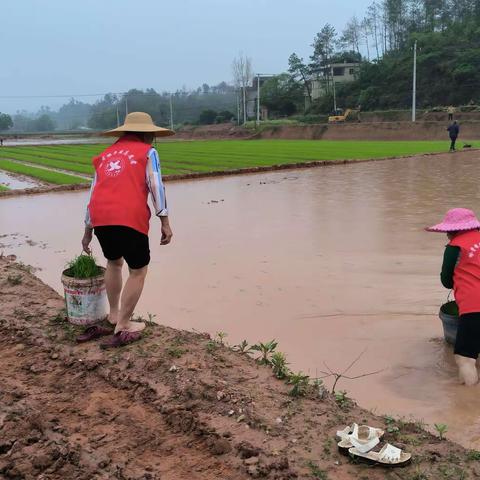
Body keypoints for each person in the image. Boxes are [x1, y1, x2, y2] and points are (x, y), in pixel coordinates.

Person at [79, 112, 174, 348]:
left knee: (114, 261)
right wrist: (165, 220)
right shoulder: (147, 152)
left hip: (101, 215)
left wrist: (88, 229)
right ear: (146, 134)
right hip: (129, 216)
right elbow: (156, 185)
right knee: (138, 270)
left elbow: (93, 191)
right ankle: (123, 324)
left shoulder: (105, 155)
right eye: (152, 135)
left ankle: (113, 314)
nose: (153, 139)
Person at [426, 208, 480, 386]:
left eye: (448, 232)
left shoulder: (455, 247)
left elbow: (447, 281)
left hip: (475, 307)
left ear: (452, 230)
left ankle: (466, 404)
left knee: (465, 359)